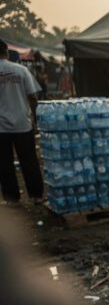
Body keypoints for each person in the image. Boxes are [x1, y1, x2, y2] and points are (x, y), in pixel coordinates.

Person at [0, 39, 44, 205]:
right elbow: (33, 96)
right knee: (29, 161)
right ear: (7, 51)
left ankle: (12, 199)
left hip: (1, 128)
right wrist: (34, 119)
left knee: (4, 163)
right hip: (22, 124)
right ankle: (37, 195)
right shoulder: (21, 70)